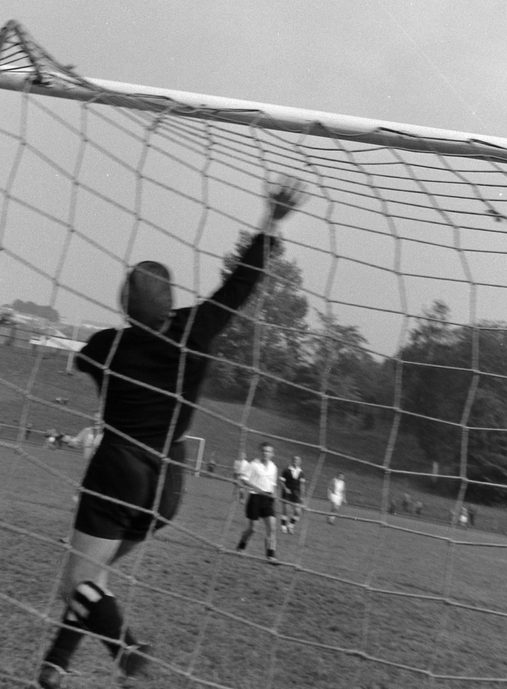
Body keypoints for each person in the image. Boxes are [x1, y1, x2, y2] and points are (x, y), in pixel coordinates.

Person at [35, 178, 305, 689]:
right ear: (171, 301)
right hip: (169, 484)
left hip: (117, 471)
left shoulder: (107, 346)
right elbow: (238, 286)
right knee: (94, 578)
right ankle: (55, 664)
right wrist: (271, 222)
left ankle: (127, 651)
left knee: (78, 580)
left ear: (124, 302)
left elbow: (79, 363)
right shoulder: (196, 330)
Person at [235, 442, 280, 561]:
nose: (266, 453)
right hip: (255, 498)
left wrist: (274, 496)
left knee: (272, 527)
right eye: (264, 451)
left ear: (272, 454)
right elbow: (243, 479)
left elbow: (273, 484)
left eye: (268, 451)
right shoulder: (253, 464)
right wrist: (256, 488)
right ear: (261, 452)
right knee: (253, 529)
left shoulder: (273, 467)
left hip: (268, 499)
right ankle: (241, 546)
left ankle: (270, 555)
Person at [279, 455, 305, 534]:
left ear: (300, 462)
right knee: (286, 510)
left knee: (298, 511)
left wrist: (302, 496)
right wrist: (285, 488)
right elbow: (281, 481)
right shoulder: (286, 470)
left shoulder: (301, 472)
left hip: (296, 494)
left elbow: (302, 485)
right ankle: (283, 527)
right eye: (294, 459)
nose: (295, 461)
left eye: (297, 460)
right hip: (287, 493)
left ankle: (290, 526)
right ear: (292, 460)